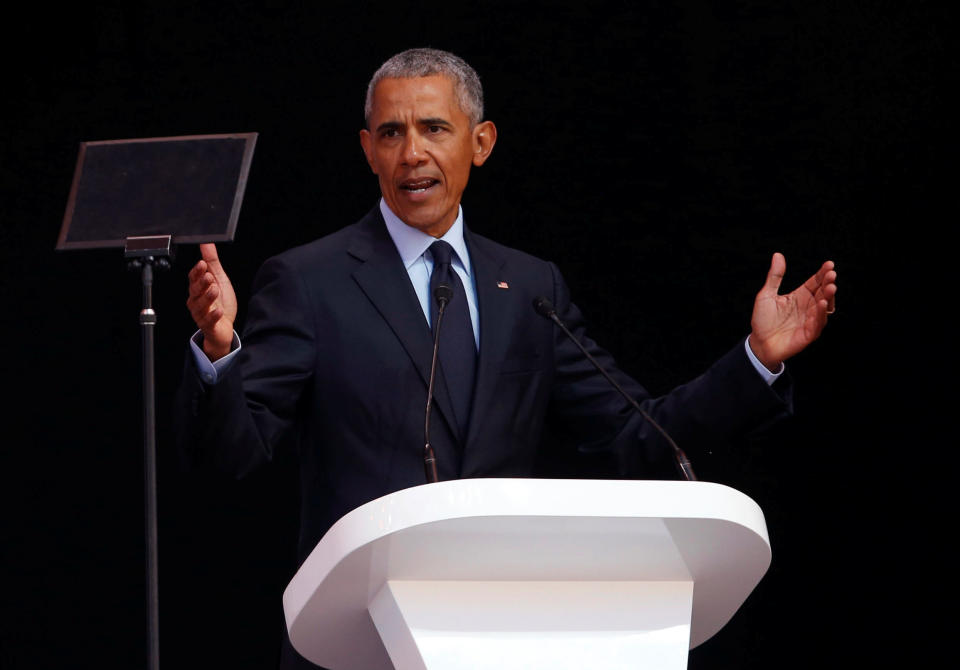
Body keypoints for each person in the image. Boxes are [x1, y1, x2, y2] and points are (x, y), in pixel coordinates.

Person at [177, 48, 837, 668]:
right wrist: (218, 350)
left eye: (435, 128)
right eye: (390, 133)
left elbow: (640, 435)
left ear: (481, 142)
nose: (413, 154)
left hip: (506, 635)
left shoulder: (529, 288)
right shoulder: (310, 280)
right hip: (363, 643)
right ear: (366, 151)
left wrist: (755, 360)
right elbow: (234, 450)